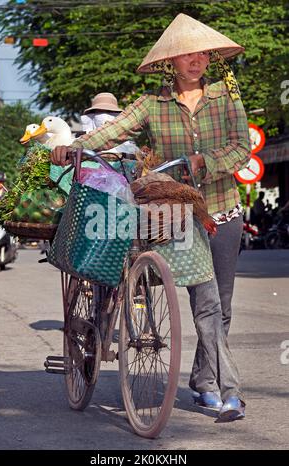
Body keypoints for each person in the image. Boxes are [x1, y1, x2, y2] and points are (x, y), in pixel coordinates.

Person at [51, 13, 251, 421]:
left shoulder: (227, 99)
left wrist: (205, 161)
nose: (196, 60)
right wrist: (73, 147)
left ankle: (205, 381)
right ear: (170, 63)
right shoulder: (151, 105)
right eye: (186, 55)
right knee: (200, 298)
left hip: (224, 210)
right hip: (177, 214)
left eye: (202, 54)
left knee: (218, 305)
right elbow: (113, 131)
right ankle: (222, 386)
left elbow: (241, 148)